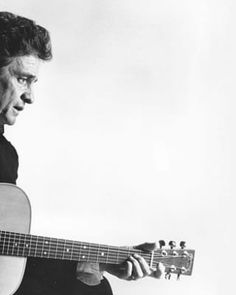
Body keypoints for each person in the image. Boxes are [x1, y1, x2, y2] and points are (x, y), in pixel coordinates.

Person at [0, 11, 163, 295]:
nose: (30, 96)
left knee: (92, 289)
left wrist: (101, 262)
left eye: (33, 82)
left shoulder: (5, 156)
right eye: (23, 79)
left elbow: (10, 257)